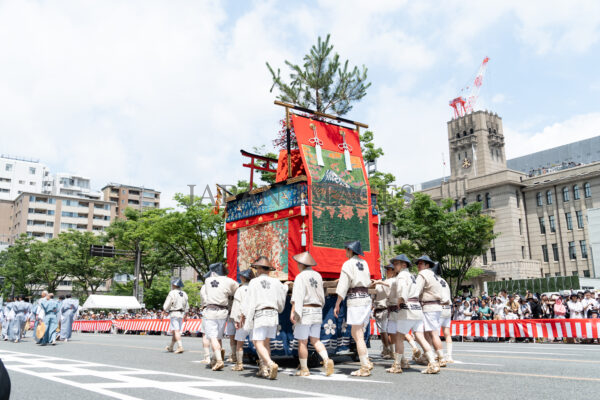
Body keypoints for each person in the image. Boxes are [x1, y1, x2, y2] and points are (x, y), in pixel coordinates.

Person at [392, 254, 439, 374]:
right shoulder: (412, 276)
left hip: (407, 307)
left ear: (404, 265)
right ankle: (433, 363)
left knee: (399, 337)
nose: (394, 266)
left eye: (397, 263)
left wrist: (400, 300)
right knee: (420, 337)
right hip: (417, 308)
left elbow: (402, 290)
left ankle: (397, 365)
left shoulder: (402, 275)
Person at [241, 256, 287, 380]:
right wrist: (279, 308)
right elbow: (282, 299)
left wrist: (245, 315)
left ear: (260, 269)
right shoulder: (277, 282)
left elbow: (249, 301)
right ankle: (264, 369)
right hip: (273, 314)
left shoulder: (254, 282)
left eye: (257, 268)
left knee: (257, 342)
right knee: (266, 342)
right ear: (269, 270)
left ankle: (270, 364)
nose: (256, 270)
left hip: (260, 313)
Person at [290, 251, 334, 377]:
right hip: (317, 310)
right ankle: (326, 360)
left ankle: (304, 368)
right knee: (316, 340)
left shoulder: (301, 276)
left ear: (301, 264)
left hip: (305, 310)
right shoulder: (318, 276)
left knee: (302, 341)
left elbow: (297, 295)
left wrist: (293, 310)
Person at [334, 241, 373, 377]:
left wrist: (338, 302)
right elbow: (368, 281)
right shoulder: (365, 263)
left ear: (350, 251)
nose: (345, 251)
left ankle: (364, 365)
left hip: (355, 299)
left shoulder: (348, 264)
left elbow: (344, 285)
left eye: (346, 249)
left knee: (357, 334)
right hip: (365, 297)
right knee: (357, 332)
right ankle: (366, 359)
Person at [200, 262, 238, 371]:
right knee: (218, 337)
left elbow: (206, 295)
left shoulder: (207, 281)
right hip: (223, 311)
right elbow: (235, 290)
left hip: (211, 310)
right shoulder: (229, 281)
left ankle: (219, 360)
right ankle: (216, 358)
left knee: (213, 337)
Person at [414, 255, 447, 371]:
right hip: (436, 306)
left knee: (432, 333)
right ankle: (428, 355)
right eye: (418, 263)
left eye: (421, 263)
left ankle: (441, 357)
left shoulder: (423, 274)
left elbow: (415, 291)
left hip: (429, 306)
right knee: (428, 333)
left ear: (427, 265)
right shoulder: (434, 275)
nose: (418, 265)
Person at [230, 268, 254, 372]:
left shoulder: (240, 289)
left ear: (244, 278)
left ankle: (239, 364)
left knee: (240, 342)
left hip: (242, 318)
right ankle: (263, 364)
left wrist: (236, 319)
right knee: (258, 343)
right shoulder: (255, 288)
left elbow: (237, 306)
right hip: (254, 318)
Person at [163, 277, 189, 354]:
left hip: (174, 313)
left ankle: (180, 346)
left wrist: (165, 309)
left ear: (174, 285)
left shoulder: (172, 292)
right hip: (181, 313)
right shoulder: (184, 293)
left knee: (176, 331)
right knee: (175, 331)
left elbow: (167, 304)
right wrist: (186, 314)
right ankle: (171, 346)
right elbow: (187, 305)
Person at [434, 263, 454, 363]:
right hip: (448, 308)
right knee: (447, 333)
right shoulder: (444, 281)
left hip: (439, 308)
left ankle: (438, 355)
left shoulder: (434, 280)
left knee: (435, 334)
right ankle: (449, 356)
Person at [373, 266, 392, 359]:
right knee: (386, 331)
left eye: (389, 269)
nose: (386, 271)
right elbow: (374, 296)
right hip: (382, 308)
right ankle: (387, 349)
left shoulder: (392, 281)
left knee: (384, 331)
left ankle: (388, 349)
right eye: (386, 269)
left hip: (387, 308)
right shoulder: (379, 282)